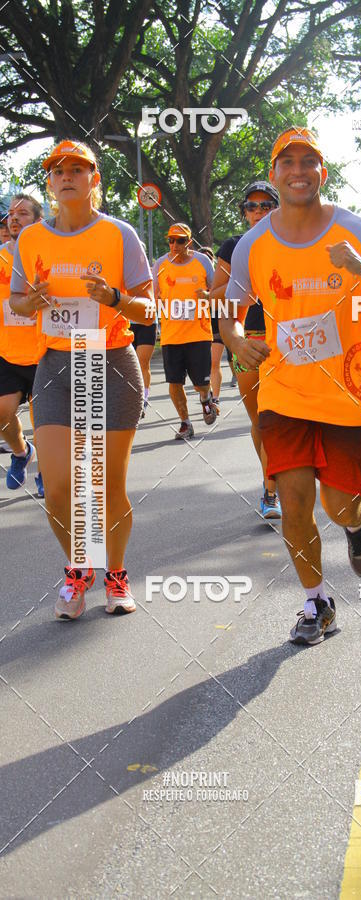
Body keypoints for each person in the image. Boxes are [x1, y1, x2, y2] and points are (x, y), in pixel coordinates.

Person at [220, 126, 361, 646]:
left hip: (347, 394)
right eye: (288, 162)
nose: (298, 171)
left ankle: (357, 522)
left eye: (309, 162)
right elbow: (229, 315)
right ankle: (316, 601)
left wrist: (359, 266)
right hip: (284, 390)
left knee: (337, 504)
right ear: (274, 172)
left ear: (323, 172)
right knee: (294, 499)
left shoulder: (356, 230)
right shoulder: (253, 244)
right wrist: (237, 344)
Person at [10, 140, 155, 619]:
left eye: (78, 168)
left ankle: (115, 574)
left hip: (110, 361)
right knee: (56, 487)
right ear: (50, 183)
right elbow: (17, 301)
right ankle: (78, 568)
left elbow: (147, 305)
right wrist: (30, 303)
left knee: (107, 486)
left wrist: (114, 296)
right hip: (55, 366)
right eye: (58, 170)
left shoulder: (119, 235)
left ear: (95, 179)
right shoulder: (30, 241)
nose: (67, 175)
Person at [208, 180, 282, 519]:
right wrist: (249, 283)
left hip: (288, 338)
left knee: (290, 417)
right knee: (262, 420)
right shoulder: (234, 246)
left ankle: (286, 483)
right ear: (244, 213)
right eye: (252, 206)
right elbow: (216, 295)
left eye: (266, 205)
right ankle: (270, 489)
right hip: (248, 339)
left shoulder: (291, 244)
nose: (259, 211)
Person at [0, 194, 44, 495]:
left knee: (44, 421)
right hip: (8, 352)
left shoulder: (47, 256)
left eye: (23, 213)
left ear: (38, 221)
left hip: (45, 351)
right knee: (2, 414)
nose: (14, 218)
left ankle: (47, 471)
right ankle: (21, 452)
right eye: (11, 214)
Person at [154, 223, 216, 437]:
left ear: (189, 242)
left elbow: (217, 290)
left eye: (180, 240)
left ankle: (206, 397)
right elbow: (153, 296)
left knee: (201, 383)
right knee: (174, 382)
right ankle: (185, 423)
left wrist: (209, 297)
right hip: (171, 335)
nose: (174, 245)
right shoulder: (160, 264)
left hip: (199, 333)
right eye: (171, 240)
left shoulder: (203, 261)